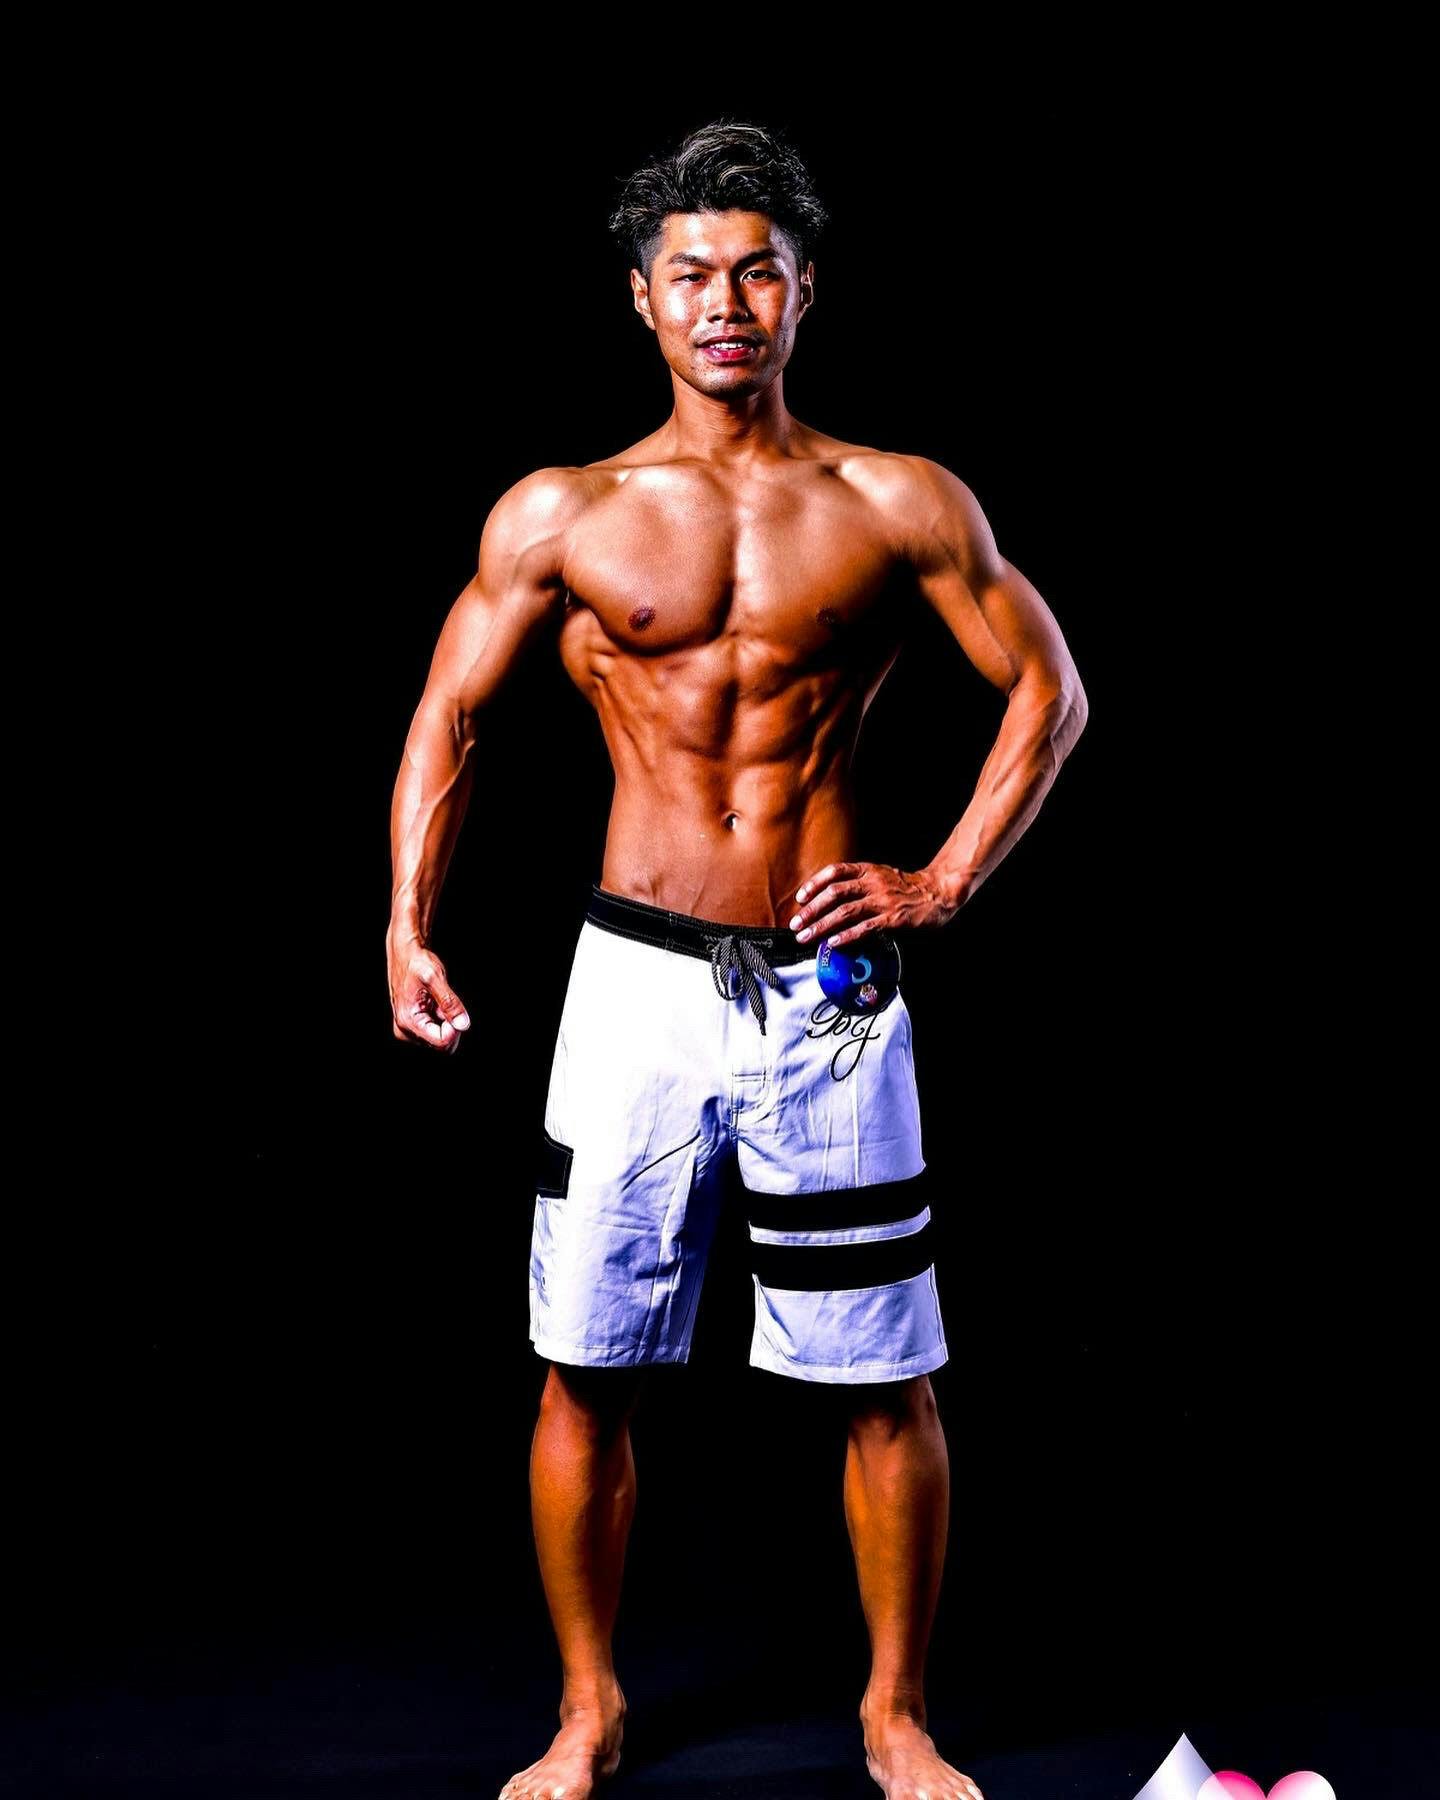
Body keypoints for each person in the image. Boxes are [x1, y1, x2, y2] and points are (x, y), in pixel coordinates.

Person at [386, 118, 1087, 1800]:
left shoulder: (896, 499)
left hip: (829, 997)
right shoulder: (565, 511)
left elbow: (1049, 691)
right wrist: (406, 920)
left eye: (756, 272)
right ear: (642, 300)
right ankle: (588, 1711)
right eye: (691, 274)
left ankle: (896, 1717)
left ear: (804, 291)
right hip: (631, 982)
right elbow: (451, 715)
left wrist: (945, 881)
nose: (725, 301)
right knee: (585, 1368)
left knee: (888, 1375)